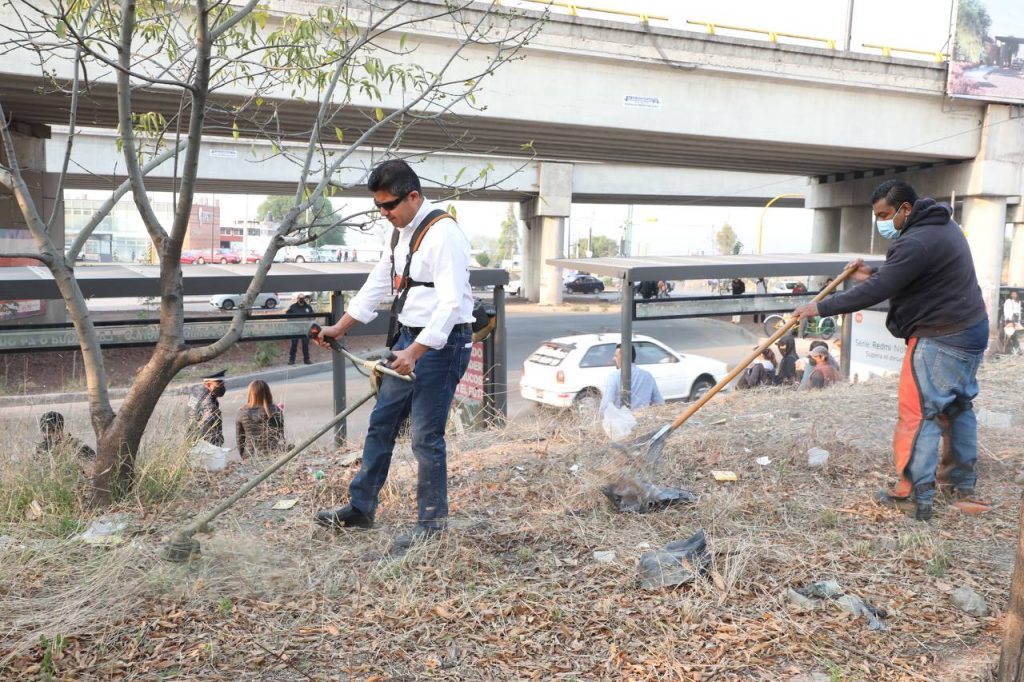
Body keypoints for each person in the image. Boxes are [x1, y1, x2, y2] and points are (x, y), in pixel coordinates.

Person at [792, 179, 990, 521]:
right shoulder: (944, 226)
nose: (881, 222)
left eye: (885, 214)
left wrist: (819, 308)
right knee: (957, 406)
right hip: (971, 331)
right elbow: (904, 275)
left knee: (918, 413)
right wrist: (873, 274)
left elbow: (880, 290)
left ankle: (914, 493)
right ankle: (960, 483)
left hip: (940, 337)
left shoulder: (915, 242)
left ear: (906, 209)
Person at [312, 159, 474, 553]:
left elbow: (452, 304)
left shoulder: (444, 234)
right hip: (409, 340)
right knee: (381, 424)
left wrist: (416, 352)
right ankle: (361, 507)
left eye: (390, 206)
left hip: (443, 343)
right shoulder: (400, 234)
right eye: (379, 207)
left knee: (425, 437)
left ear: (414, 195)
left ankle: (432, 526)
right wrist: (339, 327)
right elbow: (377, 286)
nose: (385, 214)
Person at [599, 343, 665, 413]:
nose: (613, 358)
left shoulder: (614, 376)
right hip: (644, 420)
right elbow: (659, 402)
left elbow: (606, 404)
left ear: (624, 357)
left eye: (616, 356)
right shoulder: (647, 376)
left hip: (622, 421)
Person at [236, 380, 286, 457]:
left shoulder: (242, 412)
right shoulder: (276, 410)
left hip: (251, 456)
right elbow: (280, 435)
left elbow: (240, 439)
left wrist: (243, 455)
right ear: (268, 393)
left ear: (250, 394)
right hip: (273, 455)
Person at [187, 369, 226, 446]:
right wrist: (217, 446)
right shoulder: (209, 406)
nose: (222, 387)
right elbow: (209, 432)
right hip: (203, 445)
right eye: (219, 384)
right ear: (207, 385)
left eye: (223, 384)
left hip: (191, 438)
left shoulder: (196, 390)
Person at [286, 294, 315, 365]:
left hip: (305, 329)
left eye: (303, 298)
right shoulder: (293, 307)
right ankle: (291, 360)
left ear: (304, 298)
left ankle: (306, 359)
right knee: (294, 345)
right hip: (295, 329)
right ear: (297, 298)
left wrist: (310, 322)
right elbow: (287, 316)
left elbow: (313, 316)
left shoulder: (308, 307)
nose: (301, 299)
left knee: (305, 345)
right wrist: (293, 323)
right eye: (300, 298)